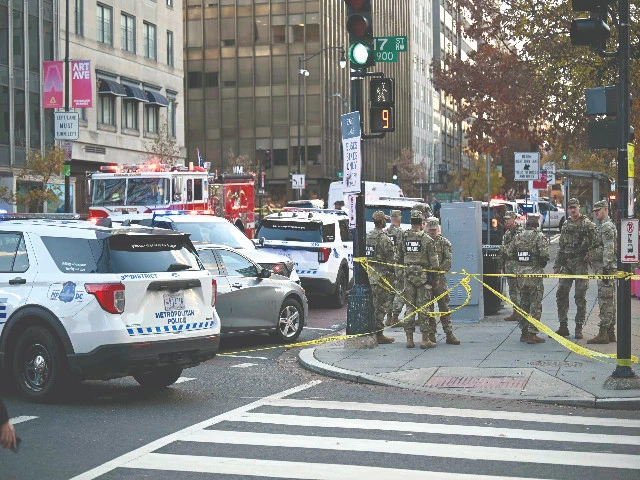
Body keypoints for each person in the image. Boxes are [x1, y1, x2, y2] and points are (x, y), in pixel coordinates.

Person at [553, 198, 596, 339]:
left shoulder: (587, 224)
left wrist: (590, 254)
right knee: (561, 293)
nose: (572, 210)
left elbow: (596, 242)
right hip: (566, 263)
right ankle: (563, 326)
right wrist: (557, 264)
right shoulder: (566, 224)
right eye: (570, 208)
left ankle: (579, 327)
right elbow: (561, 245)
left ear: (579, 207)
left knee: (580, 296)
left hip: (580, 264)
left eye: (574, 207)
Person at [396, 210, 439, 349]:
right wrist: (435, 278)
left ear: (410, 221)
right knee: (423, 307)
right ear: (422, 223)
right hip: (423, 277)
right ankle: (425, 339)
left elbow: (399, 256)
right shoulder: (426, 239)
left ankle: (409, 339)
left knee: (409, 307)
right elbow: (434, 263)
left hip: (408, 275)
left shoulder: (404, 237)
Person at [508, 213, 550, 344]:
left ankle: (524, 332)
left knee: (524, 304)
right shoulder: (539, 236)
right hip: (534, 275)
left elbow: (510, 252)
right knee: (535, 304)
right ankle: (532, 333)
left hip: (521, 275)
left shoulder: (518, 236)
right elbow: (545, 255)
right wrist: (540, 262)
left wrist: (520, 263)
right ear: (536, 223)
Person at [587, 200, 618, 344]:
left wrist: (605, 267)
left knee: (605, 300)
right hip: (606, 268)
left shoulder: (606, 226)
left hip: (606, 269)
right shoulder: (605, 225)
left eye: (598, 210)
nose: (596, 213)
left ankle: (604, 333)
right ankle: (610, 332)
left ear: (605, 209)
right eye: (594, 210)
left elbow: (608, 247)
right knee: (609, 300)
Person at [426, 216, 460, 345]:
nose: (432, 232)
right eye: (430, 229)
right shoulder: (423, 241)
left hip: (440, 278)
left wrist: (438, 273)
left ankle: (449, 333)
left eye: (434, 229)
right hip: (427, 279)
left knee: (444, 306)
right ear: (426, 228)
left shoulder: (444, 242)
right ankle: (431, 335)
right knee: (428, 309)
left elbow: (448, 260)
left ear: (438, 229)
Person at [365, 211, 395, 344]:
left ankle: (372, 330)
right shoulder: (384, 239)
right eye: (385, 220)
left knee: (372, 305)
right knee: (381, 307)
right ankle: (379, 333)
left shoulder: (368, 236)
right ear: (382, 221)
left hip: (370, 274)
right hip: (382, 277)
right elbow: (391, 261)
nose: (386, 222)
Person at [501, 211, 523, 321]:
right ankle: (516, 311)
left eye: (509, 219)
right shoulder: (508, 232)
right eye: (505, 219)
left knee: (519, 289)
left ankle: (521, 312)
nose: (507, 221)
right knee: (512, 290)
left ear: (514, 219)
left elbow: (514, 248)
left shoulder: (519, 232)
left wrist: (505, 251)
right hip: (509, 264)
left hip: (517, 264)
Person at [384, 210, 405, 327]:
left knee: (390, 292)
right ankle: (395, 318)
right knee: (400, 292)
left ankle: (388, 318)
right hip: (399, 266)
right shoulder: (401, 232)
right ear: (399, 218)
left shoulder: (386, 232)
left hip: (388, 266)